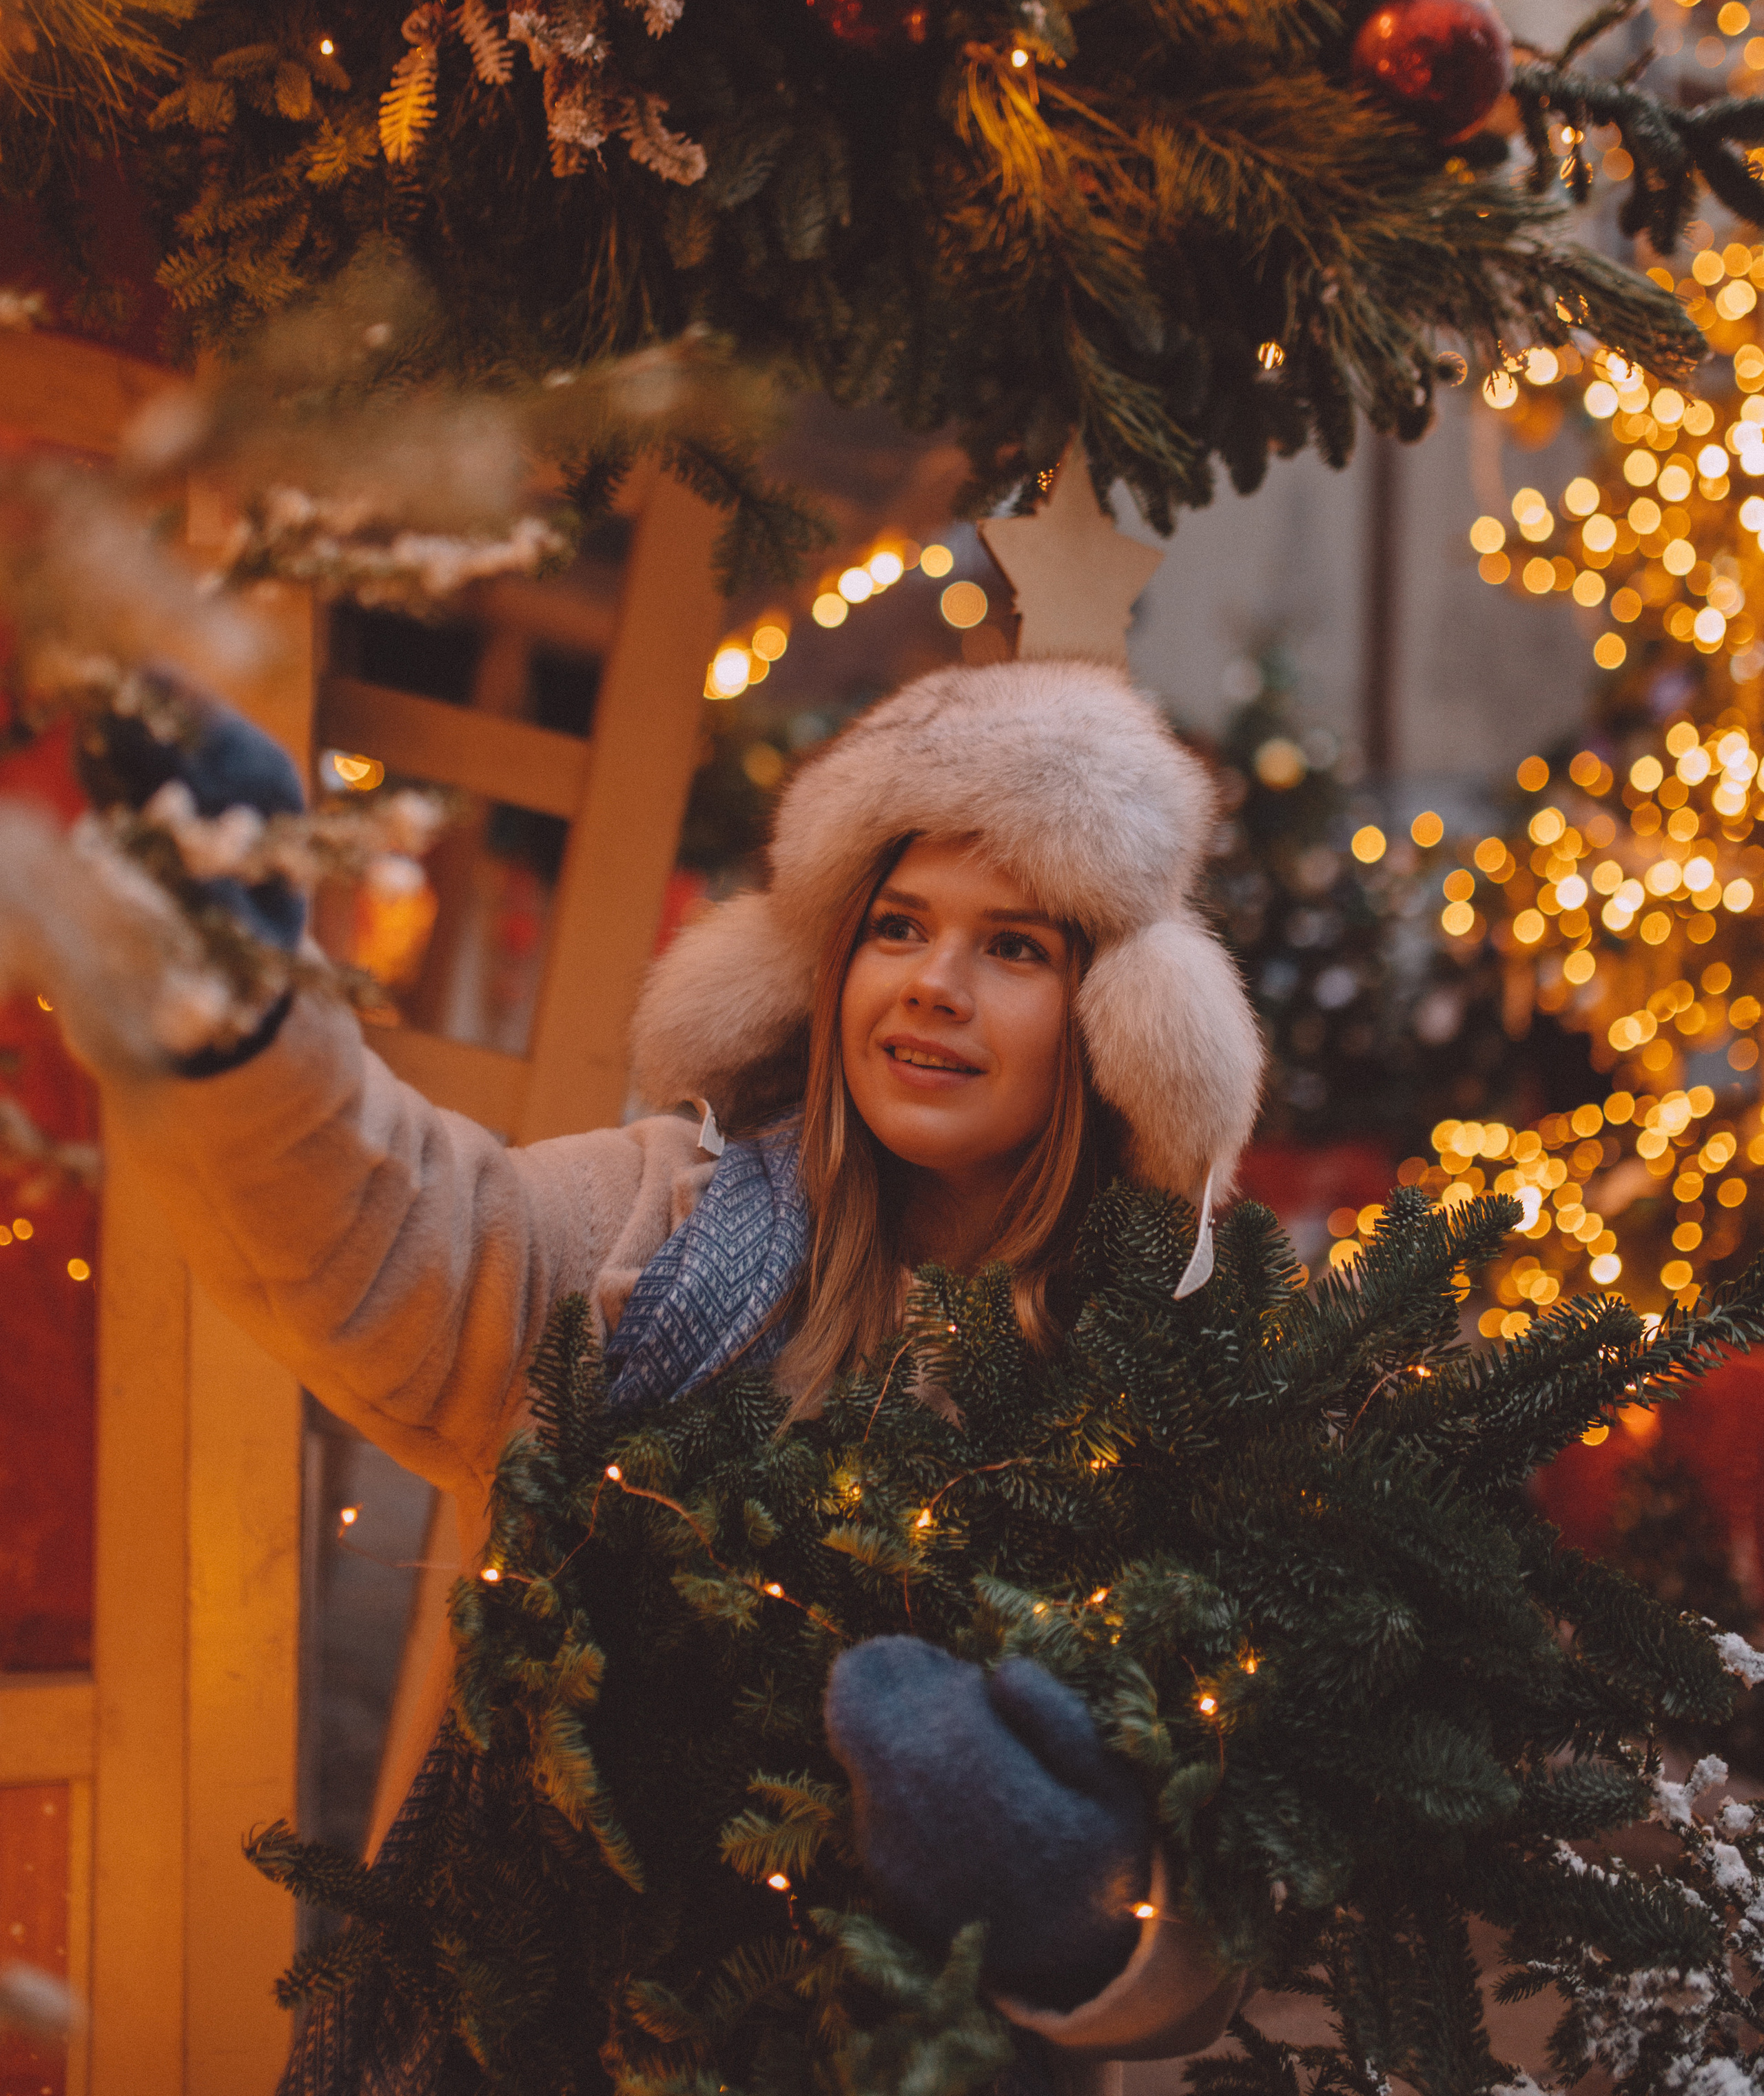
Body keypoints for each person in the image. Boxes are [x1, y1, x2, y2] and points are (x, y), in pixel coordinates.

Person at [87, 657, 1265, 2092]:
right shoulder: (652, 1230)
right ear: (828, 968)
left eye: (1011, 947)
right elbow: (375, 1216)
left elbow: (1244, 1907)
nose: (933, 986)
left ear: (1107, 1017)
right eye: (896, 927)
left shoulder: (1154, 1378)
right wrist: (245, 1002)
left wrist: (1072, 1899)